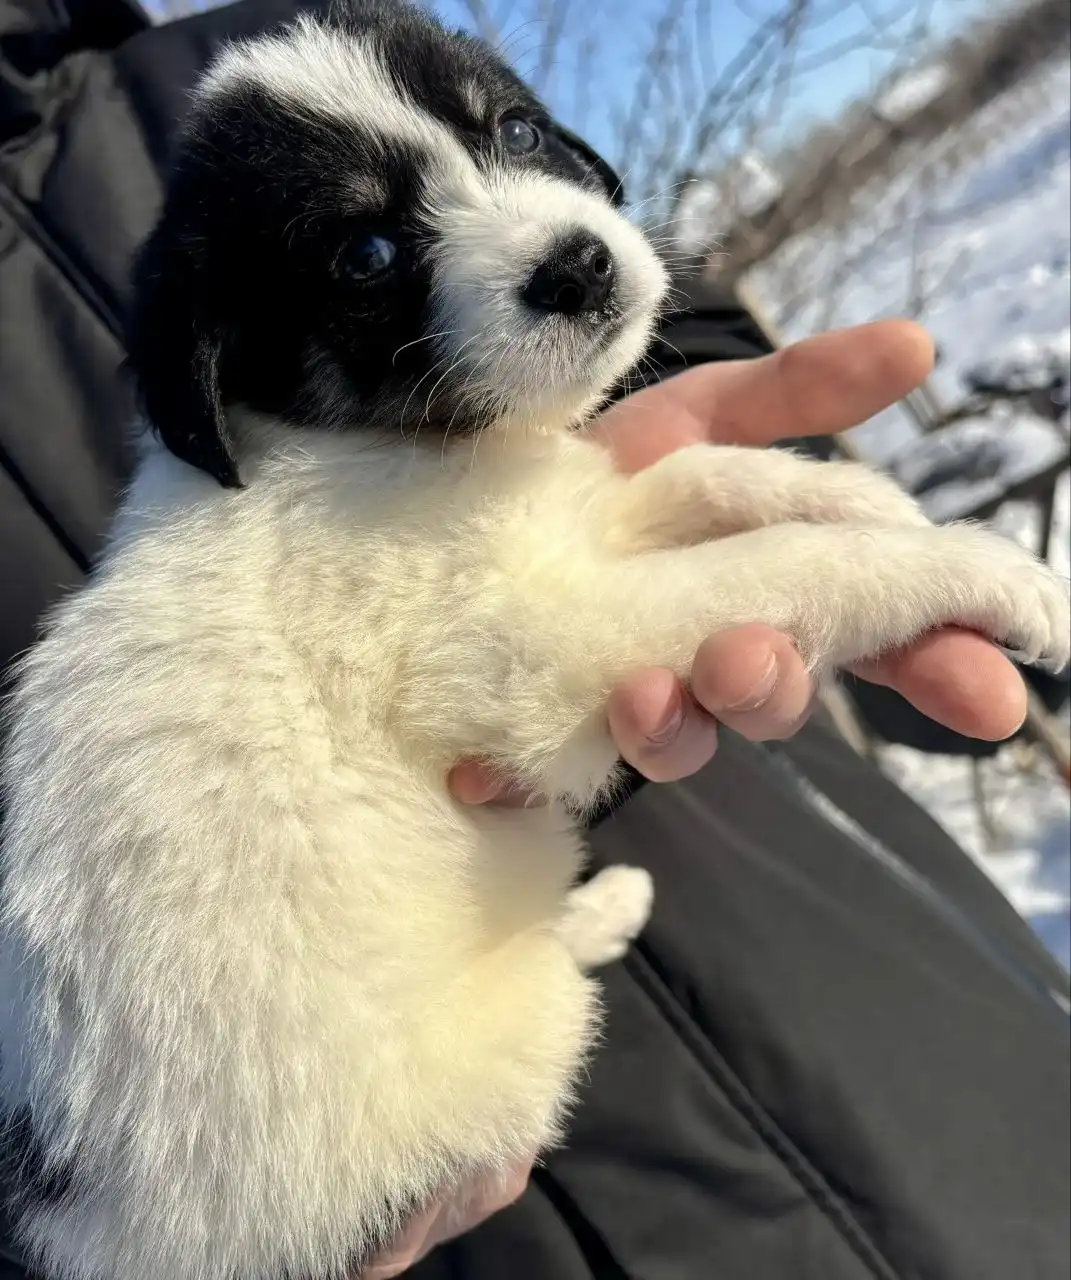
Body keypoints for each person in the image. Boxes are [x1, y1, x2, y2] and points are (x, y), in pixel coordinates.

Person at [1, 3, 1067, 1279]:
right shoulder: (289, 508)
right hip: (320, 1142)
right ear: (216, 374)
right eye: (367, 256)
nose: (541, 234)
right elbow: (558, 653)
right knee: (522, 1036)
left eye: (511, 134)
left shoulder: (239, 75)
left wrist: (790, 492)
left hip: (855, 1022)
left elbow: (570, 508)